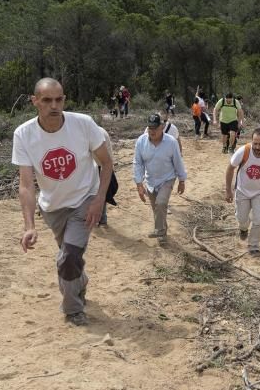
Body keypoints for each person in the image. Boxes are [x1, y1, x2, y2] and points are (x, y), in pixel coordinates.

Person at [12, 78, 114, 327]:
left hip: (84, 199)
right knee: (70, 258)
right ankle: (80, 281)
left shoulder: (83, 125)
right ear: (35, 101)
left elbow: (106, 162)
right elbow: (26, 185)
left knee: (67, 258)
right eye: (47, 100)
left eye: (59, 99)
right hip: (52, 207)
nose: (54, 106)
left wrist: (99, 200)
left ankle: (73, 310)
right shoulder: (24, 134)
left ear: (64, 100)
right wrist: (29, 226)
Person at [225, 128, 260, 256]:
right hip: (242, 191)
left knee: (259, 219)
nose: (256, 147)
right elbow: (230, 168)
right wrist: (228, 190)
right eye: (254, 143)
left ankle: (254, 245)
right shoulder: (244, 151)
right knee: (241, 218)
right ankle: (243, 229)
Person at [134, 113, 187, 246]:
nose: (152, 131)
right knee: (157, 208)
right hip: (150, 179)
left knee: (161, 203)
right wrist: (139, 183)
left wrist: (182, 180)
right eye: (150, 128)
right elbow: (138, 163)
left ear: (162, 127)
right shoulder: (141, 141)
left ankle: (159, 231)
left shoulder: (171, 142)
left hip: (167, 178)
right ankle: (163, 231)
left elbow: (178, 161)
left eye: (155, 128)